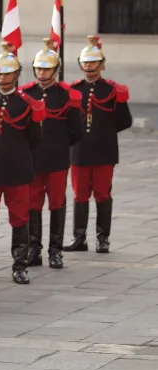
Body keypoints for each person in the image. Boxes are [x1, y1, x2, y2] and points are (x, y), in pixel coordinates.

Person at [0, 43, 45, 285]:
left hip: (18, 169)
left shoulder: (26, 103)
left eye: (7, 73)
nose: (2, 77)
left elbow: (34, 138)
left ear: (17, 75)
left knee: (19, 218)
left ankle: (20, 265)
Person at [64, 36, 132, 254]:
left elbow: (125, 120)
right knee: (80, 195)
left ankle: (103, 238)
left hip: (104, 151)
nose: (89, 67)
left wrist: (104, 133)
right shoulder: (73, 90)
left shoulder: (112, 90)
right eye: (85, 63)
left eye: (93, 63)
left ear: (102, 65)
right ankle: (79, 238)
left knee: (103, 194)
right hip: (80, 151)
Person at [21, 38, 84, 269]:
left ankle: (55, 250)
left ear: (56, 70)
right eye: (38, 68)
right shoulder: (26, 94)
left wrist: (59, 146)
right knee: (33, 204)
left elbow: (76, 131)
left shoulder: (67, 96)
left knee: (56, 203)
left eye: (46, 68)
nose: (41, 72)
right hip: (34, 159)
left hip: (57, 159)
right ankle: (34, 249)